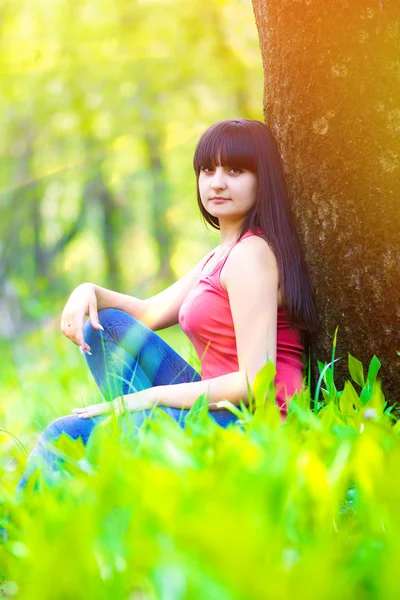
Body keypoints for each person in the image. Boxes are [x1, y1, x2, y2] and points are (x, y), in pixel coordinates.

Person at [20, 118, 318, 484]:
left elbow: (257, 381)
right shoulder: (223, 254)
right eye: (208, 170)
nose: (217, 182)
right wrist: (89, 291)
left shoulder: (251, 255)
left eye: (236, 170)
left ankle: (138, 457)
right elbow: (148, 313)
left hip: (253, 425)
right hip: (220, 410)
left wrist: (148, 398)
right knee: (105, 327)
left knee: (63, 436)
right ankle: (141, 453)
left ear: (263, 179)